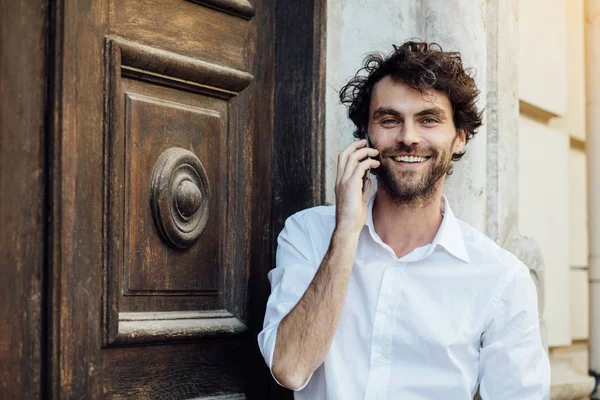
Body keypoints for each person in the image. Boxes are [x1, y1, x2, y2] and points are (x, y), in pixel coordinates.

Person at [258, 40, 550, 399]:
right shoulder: (308, 234)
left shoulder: (502, 279)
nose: (408, 137)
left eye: (428, 119)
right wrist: (347, 232)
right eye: (389, 119)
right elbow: (290, 367)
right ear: (367, 135)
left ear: (459, 137)